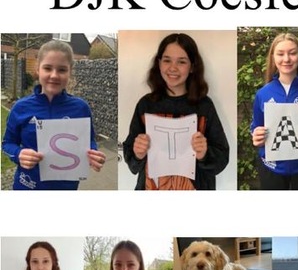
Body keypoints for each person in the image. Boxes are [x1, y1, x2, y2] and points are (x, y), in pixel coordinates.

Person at [123, 33, 229, 190]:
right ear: (159, 63)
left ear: (192, 66)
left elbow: (222, 158)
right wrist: (138, 153)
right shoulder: (146, 105)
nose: (173, 68)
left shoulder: (204, 106)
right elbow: (131, 157)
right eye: (167, 60)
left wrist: (204, 154)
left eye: (182, 62)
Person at [2, 39, 105, 190]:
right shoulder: (20, 107)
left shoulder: (81, 108)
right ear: (38, 70)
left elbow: (89, 141)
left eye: (62, 70)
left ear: (70, 71)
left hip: (66, 188)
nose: (54, 75)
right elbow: (7, 144)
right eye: (48, 68)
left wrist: (93, 154)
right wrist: (19, 154)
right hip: (27, 186)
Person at [250, 32, 298, 190]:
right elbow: (255, 126)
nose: (286, 59)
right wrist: (256, 136)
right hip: (271, 169)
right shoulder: (262, 94)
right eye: (280, 54)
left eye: (292, 53)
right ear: (273, 57)